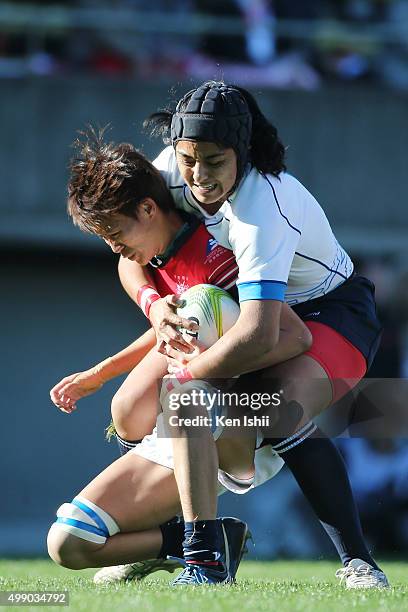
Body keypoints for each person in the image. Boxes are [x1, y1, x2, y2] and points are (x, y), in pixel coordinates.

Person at [116, 81, 389, 588]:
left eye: (214, 161)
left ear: (242, 152)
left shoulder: (263, 206)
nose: (198, 176)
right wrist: (155, 307)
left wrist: (188, 374)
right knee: (131, 411)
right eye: (189, 159)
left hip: (330, 314)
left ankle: (360, 563)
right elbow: (126, 247)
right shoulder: (171, 168)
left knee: (276, 413)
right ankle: (174, 542)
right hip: (251, 308)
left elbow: (263, 334)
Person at [47, 130, 310, 585]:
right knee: (68, 543)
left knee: (176, 398)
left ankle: (203, 555)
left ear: (148, 209)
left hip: (233, 425)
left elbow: (292, 335)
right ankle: (190, 539)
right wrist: (99, 372)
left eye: (114, 232)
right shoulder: (157, 260)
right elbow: (156, 312)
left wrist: (205, 372)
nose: (113, 246)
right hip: (176, 430)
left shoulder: (218, 258)